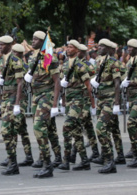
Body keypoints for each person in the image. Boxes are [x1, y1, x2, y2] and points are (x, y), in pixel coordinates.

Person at [24, 30, 61, 178]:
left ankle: (47, 164)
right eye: (32, 38)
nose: (32, 41)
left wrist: (54, 104)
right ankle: (57, 157)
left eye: (35, 39)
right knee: (50, 129)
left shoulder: (49, 57)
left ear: (42, 41)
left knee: (39, 128)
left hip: (47, 95)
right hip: (36, 95)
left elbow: (57, 81)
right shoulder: (33, 56)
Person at [58, 40, 95, 171]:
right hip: (69, 100)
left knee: (67, 127)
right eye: (67, 46)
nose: (68, 49)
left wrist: (92, 105)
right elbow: (63, 86)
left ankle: (66, 160)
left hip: (79, 101)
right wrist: (62, 102)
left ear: (77, 50)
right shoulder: (65, 65)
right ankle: (84, 161)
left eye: (71, 47)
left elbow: (89, 86)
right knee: (76, 131)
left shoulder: (80, 65)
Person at [0, 43, 34, 168]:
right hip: (9, 98)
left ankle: (11, 159)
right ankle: (27, 156)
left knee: (9, 129)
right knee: (21, 129)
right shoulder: (11, 62)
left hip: (17, 99)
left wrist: (17, 104)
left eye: (15, 53)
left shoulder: (19, 64)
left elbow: (20, 84)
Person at [92, 41, 126, 165]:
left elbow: (117, 84)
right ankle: (118, 155)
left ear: (109, 49)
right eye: (99, 46)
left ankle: (109, 159)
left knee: (100, 128)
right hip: (101, 99)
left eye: (102, 46)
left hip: (110, 100)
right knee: (113, 128)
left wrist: (117, 103)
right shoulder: (99, 61)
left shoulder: (113, 63)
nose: (99, 48)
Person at [121, 39, 137, 168]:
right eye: (128, 48)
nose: (129, 49)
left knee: (131, 124)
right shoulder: (130, 61)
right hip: (132, 97)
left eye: (132, 48)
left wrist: (131, 82)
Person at [76, 44, 100, 162]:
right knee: (87, 126)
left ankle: (73, 154)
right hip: (75, 99)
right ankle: (95, 151)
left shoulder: (88, 66)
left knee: (76, 125)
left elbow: (91, 85)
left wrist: (93, 104)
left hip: (84, 99)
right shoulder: (71, 63)